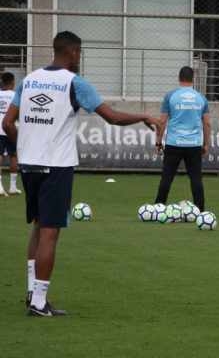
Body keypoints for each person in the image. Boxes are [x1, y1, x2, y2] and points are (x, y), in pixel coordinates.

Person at [2, 31, 161, 316]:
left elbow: (7, 122)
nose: (80, 58)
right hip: (56, 167)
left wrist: (24, 146)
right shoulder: (74, 83)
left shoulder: (29, 80)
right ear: (73, 52)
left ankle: (31, 293)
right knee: (50, 231)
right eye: (80, 53)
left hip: (29, 165)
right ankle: (39, 302)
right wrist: (144, 117)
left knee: (38, 226)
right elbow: (111, 117)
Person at [154, 66, 210, 212]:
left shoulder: (170, 96)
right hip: (194, 144)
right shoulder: (201, 98)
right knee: (196, 178)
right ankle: (201, 210)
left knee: (167, 177)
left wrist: (159, 141)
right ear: (193, 79)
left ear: (179, 78)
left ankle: (158, 207)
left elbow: (162, 121)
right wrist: (206, 144)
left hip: (174, 143)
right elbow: (207, 123)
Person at [0, 72, 21, 196]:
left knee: (0, 155)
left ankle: (0, 186)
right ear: (13, 82)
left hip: (0, 128)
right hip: (12, 128)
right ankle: (12, 187)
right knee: (14, 155)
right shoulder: (15, 95)